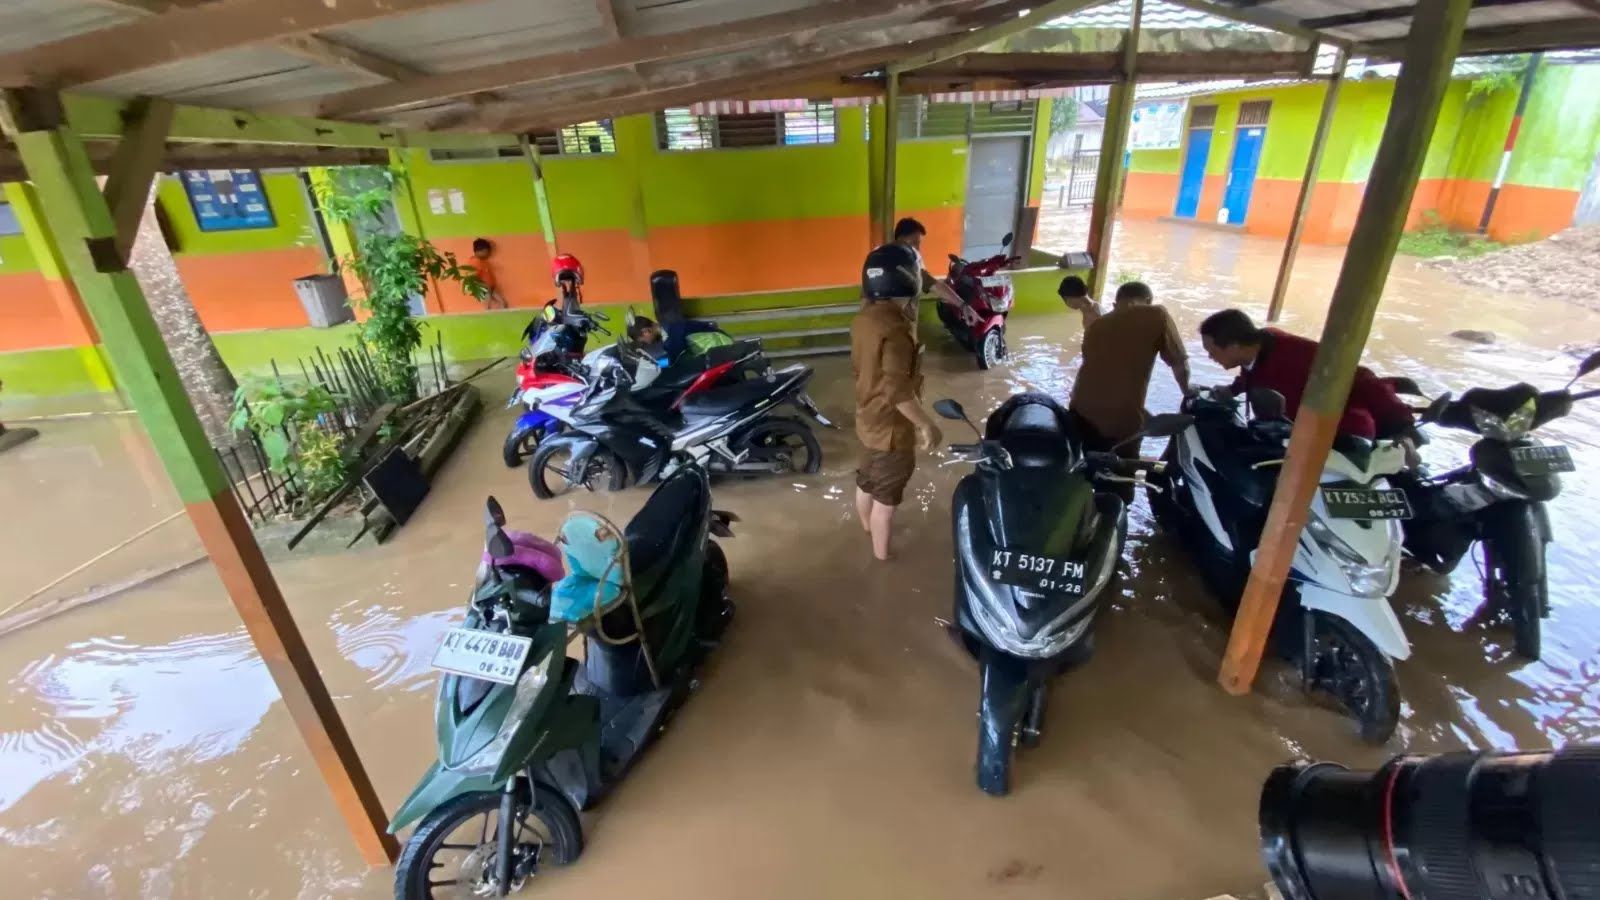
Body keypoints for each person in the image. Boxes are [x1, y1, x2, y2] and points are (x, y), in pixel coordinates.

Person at [1198, 309, 1415, 445]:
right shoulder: (1256, 350)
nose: (1209, 356)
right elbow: (1253, 371)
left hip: (1342, 439)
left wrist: (1402, 431)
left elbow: (1362, 378)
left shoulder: (1295, 354)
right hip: (1296, 433)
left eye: (1212, 350)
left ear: (1235, 346)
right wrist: (1231, 391)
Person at [852, 242, 942, 561]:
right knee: (886, 502)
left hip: (867, 420)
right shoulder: (896, 331)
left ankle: (866, 529)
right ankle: (881, 559)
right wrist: (927, 424)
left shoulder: (864, 319)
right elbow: (897, 391)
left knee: (866, 481)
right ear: (907, 279)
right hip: (891, 431)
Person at [1063, 280, 1190, 499]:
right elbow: (1179, 363)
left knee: (1088, 475)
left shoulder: (1096, 326)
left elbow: (1100, 372)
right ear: (1147, 300)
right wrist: (1189, 393)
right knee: (1121, 483)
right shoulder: (1156, 314)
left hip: (1079, 412)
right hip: (1120, 421)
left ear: (1116, 303)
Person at [892, 217, 966, 315]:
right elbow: (934, 286)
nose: (917, 249)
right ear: (900, 239)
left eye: (918, 244)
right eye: (915, 243)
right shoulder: (906, 262)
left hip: (869, 321)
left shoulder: (878, 256)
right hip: (892, 324)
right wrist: (964, 306)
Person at [625, 314, 724, 364]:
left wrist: (655, 364)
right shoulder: (666, 326)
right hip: (713, 348)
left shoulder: (672, 332)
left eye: (643, 340)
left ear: (646, 332)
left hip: (721, 346)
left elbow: (673, 359)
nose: (647, 343)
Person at [469, 238, 508, 309]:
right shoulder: (475, 262)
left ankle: (502, 314)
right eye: (487, 252)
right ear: (481, 251)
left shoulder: (483, 261)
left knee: (502, 303)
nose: (489, 254)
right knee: (487, 305)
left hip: (491, 288)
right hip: (484, 289)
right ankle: (487, 315)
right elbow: (472, 278)